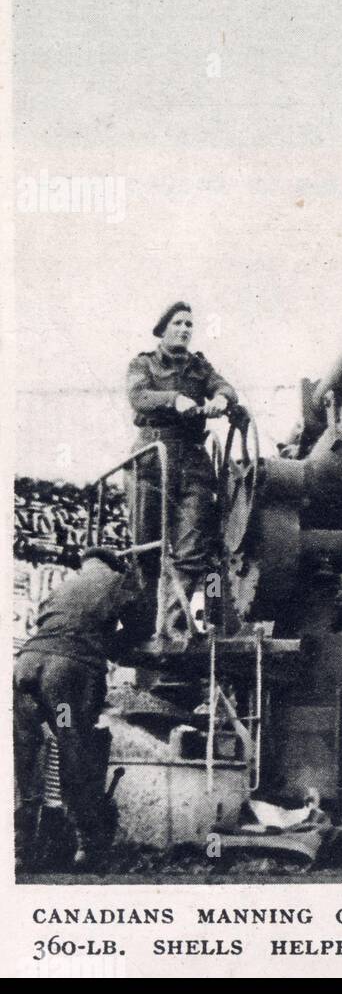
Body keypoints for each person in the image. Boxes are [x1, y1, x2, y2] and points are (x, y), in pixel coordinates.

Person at [13, 548, 145, 868]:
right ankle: (87, 847)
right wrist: (109, 650)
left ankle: (21, 850)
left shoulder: (64, 585)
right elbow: (142, 625)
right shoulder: (117, 580)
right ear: (116, 564)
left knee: (26, 758)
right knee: (75, 750)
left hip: (26, 668)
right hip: (65, 674)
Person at [126, 301, 238, 628]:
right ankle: (143, 626)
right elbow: (138, 396)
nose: (185, 329)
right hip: (151, 459)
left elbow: (223, 386)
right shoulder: (143, 363)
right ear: (163, 329)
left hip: (193, 462)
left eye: (190, 324)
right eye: (178, 323)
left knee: (191, 551)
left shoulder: (200, 367)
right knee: (146, 550)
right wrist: (174, 399)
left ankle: (172, 625)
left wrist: (221, 399)